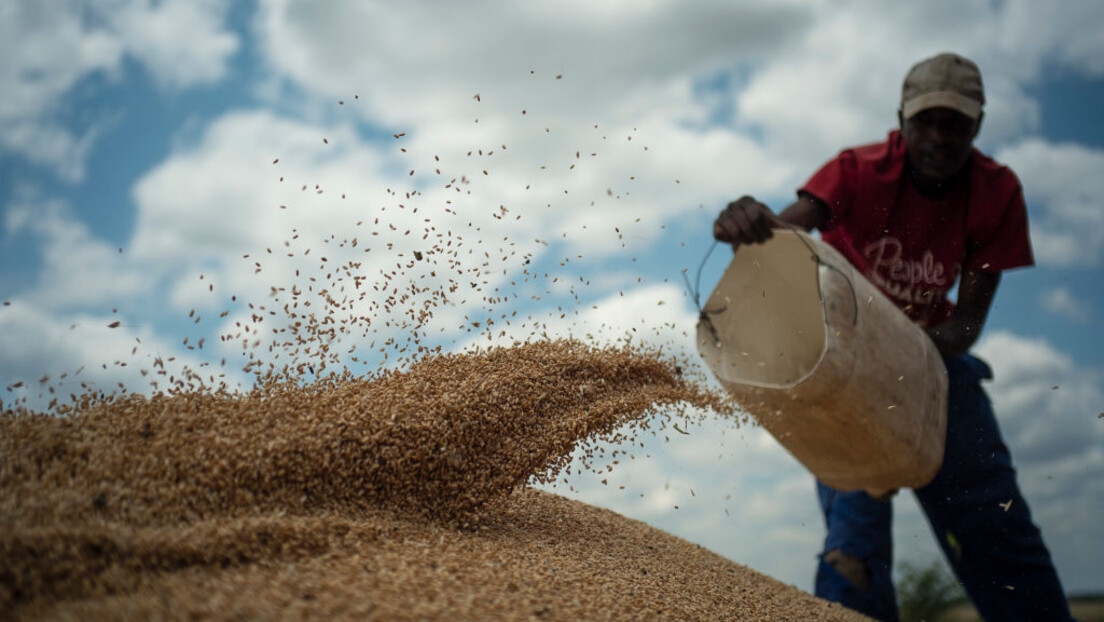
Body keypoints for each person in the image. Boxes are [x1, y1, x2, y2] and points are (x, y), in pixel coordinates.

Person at [713, 53, 1073, 622]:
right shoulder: (859, 171)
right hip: (849, 377)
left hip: (936, 370)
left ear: (976, 126)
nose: (938, 137)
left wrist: (906, 351)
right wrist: (749, 224)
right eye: (925, 122)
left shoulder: (995, 191)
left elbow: (966, 326)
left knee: (995, 526)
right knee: (854, 543)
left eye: (954, 124)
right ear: (900, 121)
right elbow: (785, 235)